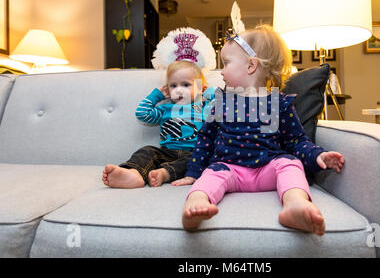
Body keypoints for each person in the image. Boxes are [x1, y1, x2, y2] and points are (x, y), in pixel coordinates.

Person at [173, 25, 344, 236]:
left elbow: (296, 141)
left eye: (226, 63)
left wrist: (318, 155)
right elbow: (205, 141)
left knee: (290, 164)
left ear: (251, 66)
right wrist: (193, 173)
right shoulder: (222, 103)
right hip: (229, 169)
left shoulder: (278, 103)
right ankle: (196, 203)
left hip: (267, 170)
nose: (222, 71)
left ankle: (295, 204)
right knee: (210, 175)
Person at [102, 28, 217, 189]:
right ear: (167, 88)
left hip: (194, 153)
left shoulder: (203, 107)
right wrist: (157, 96)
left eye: (186, 84)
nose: (179, 89)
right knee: (147, 151)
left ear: (199, 86)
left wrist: (210, 92)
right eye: (173, 85)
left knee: (199, 159)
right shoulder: (165, 109)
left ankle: (165, 174)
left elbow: (224, 111)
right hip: (166, 152)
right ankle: (133, 174)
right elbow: (142, 114)